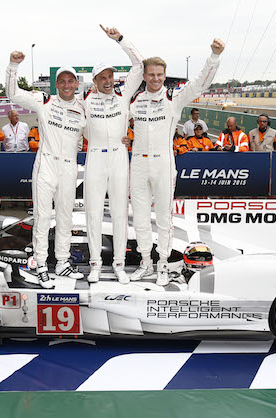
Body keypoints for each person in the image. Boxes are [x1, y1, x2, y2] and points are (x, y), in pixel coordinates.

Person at [128, 37, 224, 286]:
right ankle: (145, 263)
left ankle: (162, 265)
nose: (156, 78)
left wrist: (213, 56)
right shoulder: (135, 101)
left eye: (160, 74)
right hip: (138, 162)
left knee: (163, 218)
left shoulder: (175, 98)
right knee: (139, 218)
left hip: (163, 162)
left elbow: (201, 83)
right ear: (145, 76)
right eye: (151, 74)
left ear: (164, 75)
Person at [7, 50, 86, 285]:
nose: (66, 85)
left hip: (70, 166)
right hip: (46, 164)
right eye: (61, 81)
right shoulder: (43, 101)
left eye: (70, 81)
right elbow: (12, 93)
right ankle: (40, 265)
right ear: (56, 84)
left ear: (76, 84)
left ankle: (62, 263)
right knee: (42, 217)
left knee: (65, 218)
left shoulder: (83, 108)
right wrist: (13, 65)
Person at [82, 25, 143, 284]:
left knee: (120, 212)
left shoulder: (123, 96)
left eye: (110, 76)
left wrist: (119, 39)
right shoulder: (85, 101)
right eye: (102, 77)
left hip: (119, 155)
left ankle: (119, 264)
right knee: (93, 212)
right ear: (95, 81)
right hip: (95, 155)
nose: (107, 81)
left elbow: (139, 65)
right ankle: (95, 263)